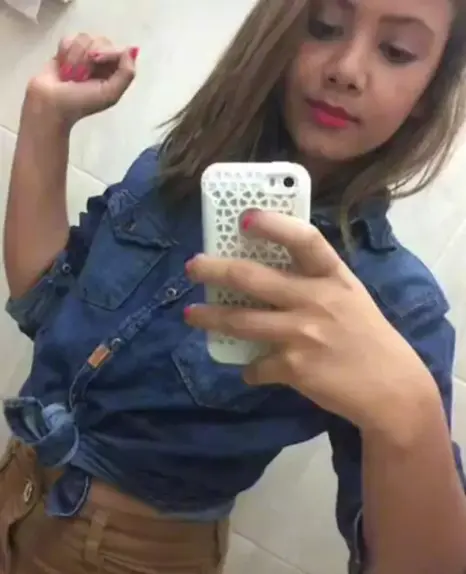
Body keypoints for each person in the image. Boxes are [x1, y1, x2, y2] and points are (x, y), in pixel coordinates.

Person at [2, 0, 466, 572]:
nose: (347, 69)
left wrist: (411, 414)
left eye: (396, 51)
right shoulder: (172, 171)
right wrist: (47, 118)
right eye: (324, 27)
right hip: (16, 483)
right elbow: (42, 304)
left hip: (130, 556)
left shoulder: (394, 303)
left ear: (427, 95)